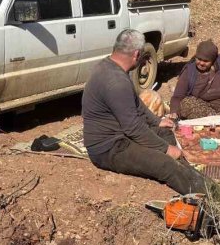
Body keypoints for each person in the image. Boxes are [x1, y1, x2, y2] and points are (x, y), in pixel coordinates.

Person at [83, 29, 212, 196]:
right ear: (137, 54)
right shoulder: (115, 81)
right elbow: (133, 128)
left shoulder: (111, 66)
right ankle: (218, 197)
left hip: (120, 134)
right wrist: (166, 150)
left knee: (165, 133)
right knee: (165, 164)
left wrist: (156, 121)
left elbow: (135, 103)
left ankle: (192, 175)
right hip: (108, 148)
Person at [169, 40, 220, 121]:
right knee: (186, 103)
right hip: (205, 109)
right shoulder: (189, 71)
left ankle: (213, 121)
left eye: (206, 61)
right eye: (199, 59)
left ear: (213, 60)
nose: (201, 63)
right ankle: (219, 121)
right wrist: (174, 112)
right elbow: (178, 96)